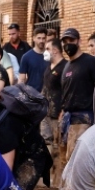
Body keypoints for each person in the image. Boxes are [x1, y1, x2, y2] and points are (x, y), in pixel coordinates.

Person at [57, 27, 95, 184]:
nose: (68, 44)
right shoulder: (67, 66)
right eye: (65, 41)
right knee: (65, 162)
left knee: (77, 164)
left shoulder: (90, 62)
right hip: (67, 121)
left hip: (84, 119)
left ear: (79, 41)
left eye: (71, 40)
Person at [40, 36, 67, 167]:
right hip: (46, 113)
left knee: (59, 144)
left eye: (47, 49)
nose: (45, 51)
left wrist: (64, 110)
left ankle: (58, 175)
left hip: (58, 114)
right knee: (46, 142)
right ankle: (49, 172)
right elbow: (45, 88)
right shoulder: (48, 67)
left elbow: (67, 90)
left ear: (55, 50)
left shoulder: (65, 67)